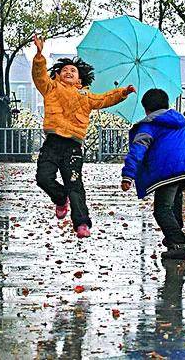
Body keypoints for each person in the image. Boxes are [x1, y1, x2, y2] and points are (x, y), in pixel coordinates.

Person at [31, 34, 135, 238]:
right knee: (43, 178)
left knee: (75, 184)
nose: (68, 72)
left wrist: (123, 92)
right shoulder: (50, 88)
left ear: (80, 79)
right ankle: (61, 199)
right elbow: (39, 75)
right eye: (64, 70)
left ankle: (81, 223)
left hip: (73, 147)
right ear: (58, 75)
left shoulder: (86, 96)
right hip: (52, 143)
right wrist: (39, 54)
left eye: (73, 70)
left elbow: (105, 98)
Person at [120, 88, 185, 260]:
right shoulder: (179, 120)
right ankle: (174, 234)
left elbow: (138, 149)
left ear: (146, 108)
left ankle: (178, 243)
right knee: (174, 203)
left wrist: (128, 174)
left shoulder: (149, 125)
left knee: (161, 209)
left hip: (168, 171)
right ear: (166, 104)